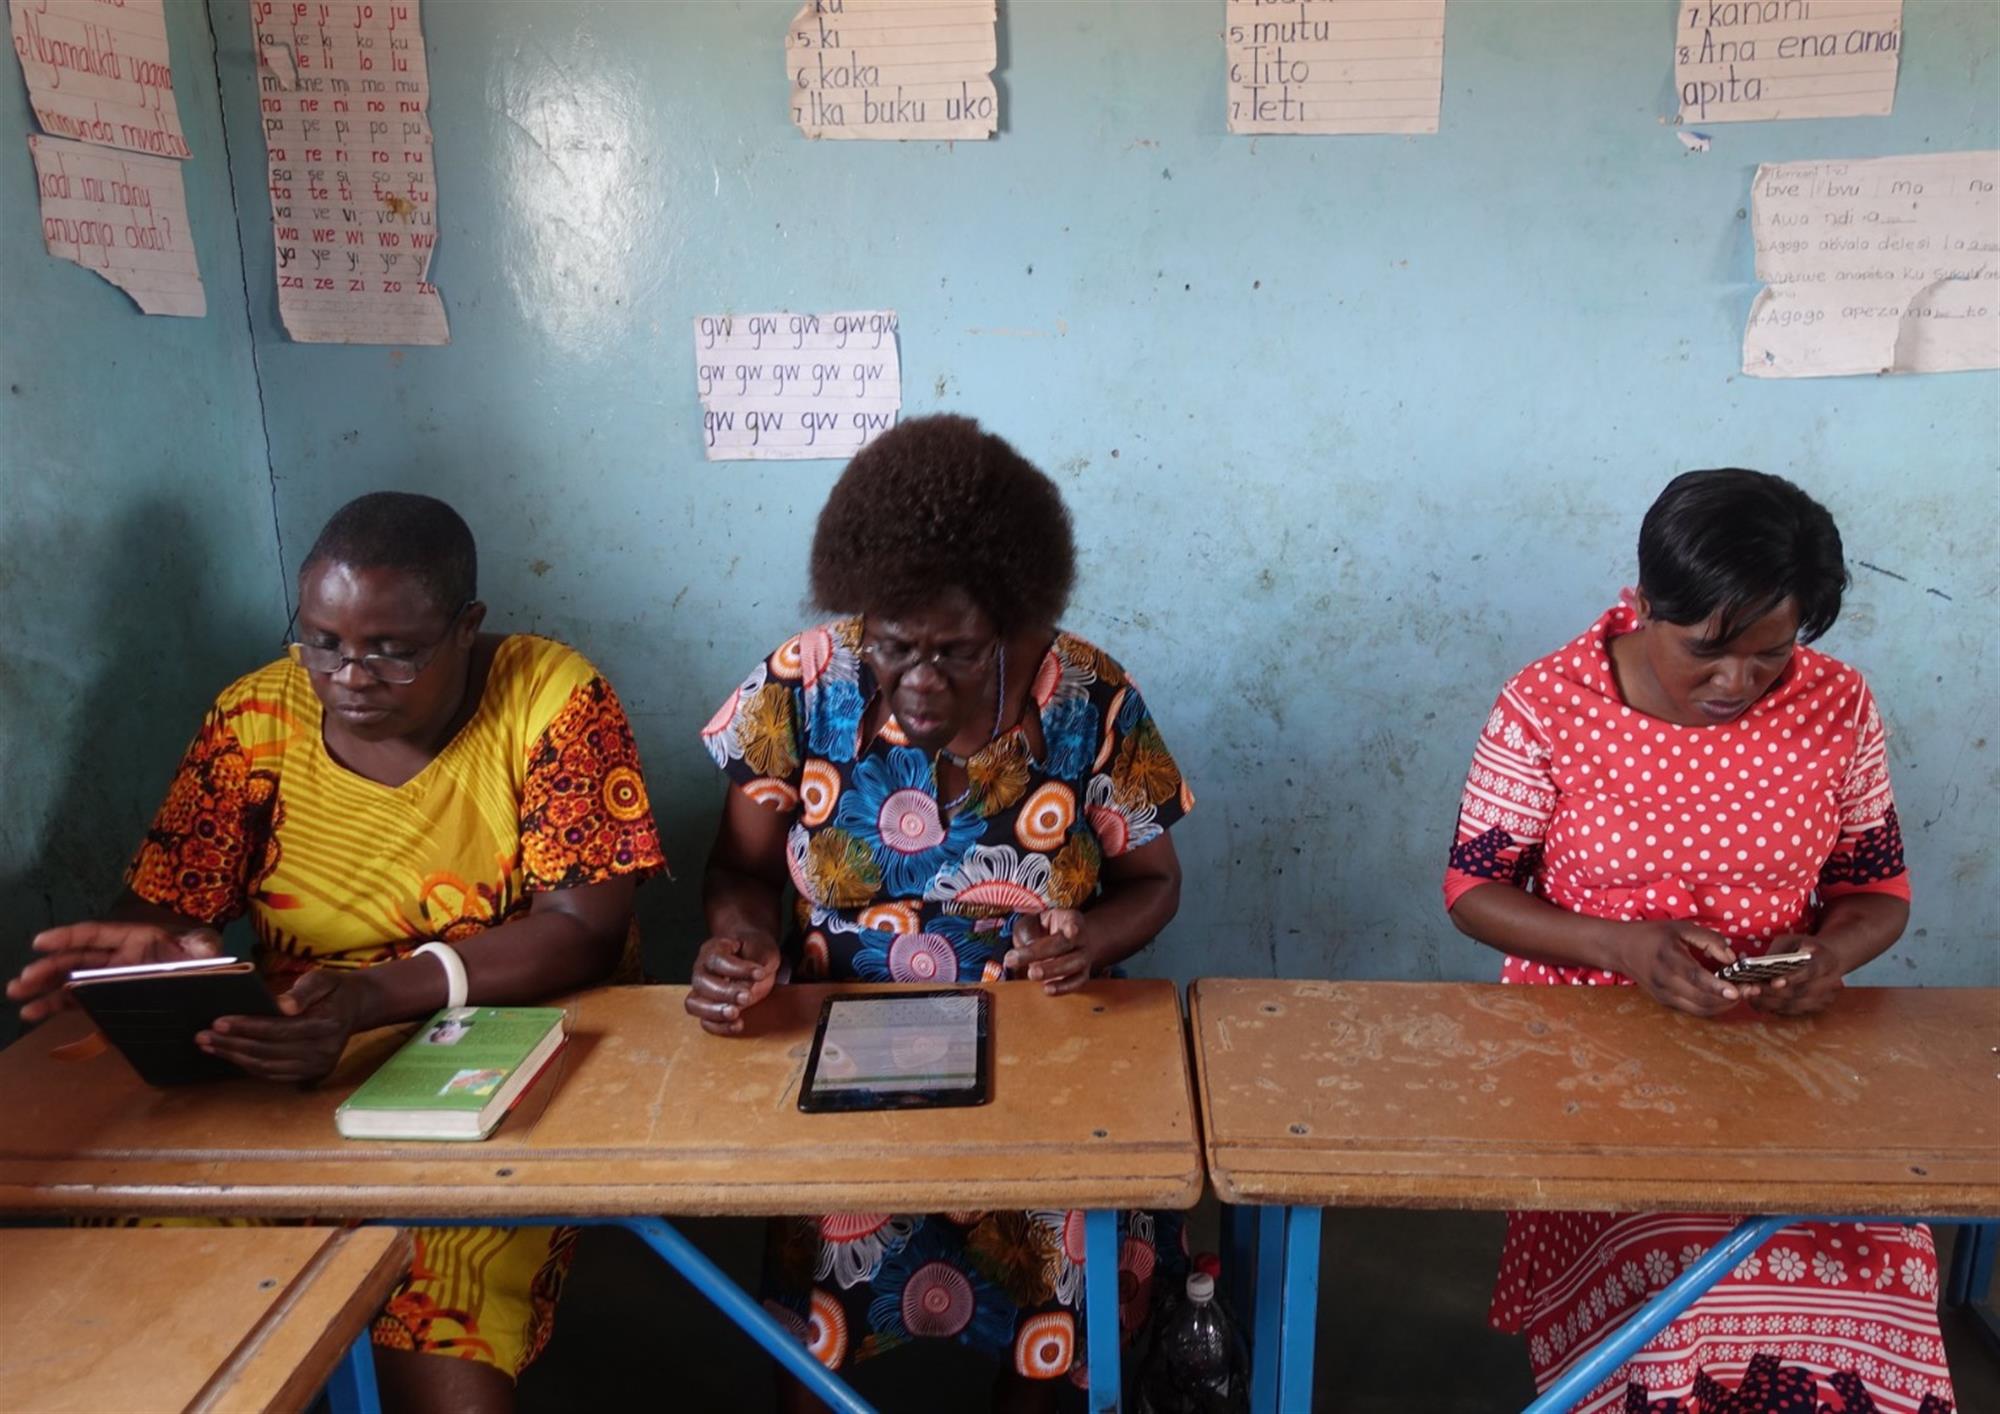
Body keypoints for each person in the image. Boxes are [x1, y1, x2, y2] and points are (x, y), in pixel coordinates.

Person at [7, 492, 665, 1414]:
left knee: (437, 1357)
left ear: (467, 627)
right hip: (292, 1063)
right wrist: (158, 953)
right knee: (139, 1315)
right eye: (320, 640)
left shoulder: (549, 700)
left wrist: (373, 997)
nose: (349, 673)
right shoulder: (256, 719)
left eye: (393, 649)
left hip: (498, 1071)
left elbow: (582, 933)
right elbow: (167, 911)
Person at [689, 415, 1194, 1410]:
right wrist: (738, 938)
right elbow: (736, 869)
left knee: (1053, 1298)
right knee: (818, 1336)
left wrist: (1085, 938)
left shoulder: (1088, 700)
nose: (919, 682)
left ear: (1018, 622)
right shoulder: (800, 685)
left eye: (957, 652)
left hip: (1043, 1056)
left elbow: (1154, 883)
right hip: (842, 1061)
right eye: (893, 645)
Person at [1444, 469, 1951, 1414]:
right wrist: (1624, 950)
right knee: (1690, 1289)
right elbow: (1473, 889)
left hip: (1783, 1054)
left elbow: (1876, 889)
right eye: (1708, 651)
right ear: (1644, 604)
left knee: (1878, 1273)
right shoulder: (1548, 704)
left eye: (1771, 656)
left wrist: (1829, 957)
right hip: (1586, 1049)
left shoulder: (1837, 708)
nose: (1738, 683)